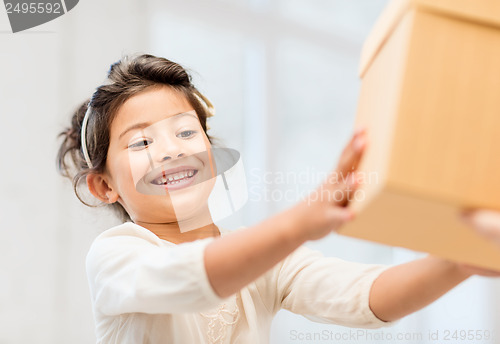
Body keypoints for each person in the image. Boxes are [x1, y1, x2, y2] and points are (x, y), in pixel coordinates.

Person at [57, 54, 497, 344]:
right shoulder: (116, 256)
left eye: (186, 131)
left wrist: (458, 261)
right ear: (105, 187)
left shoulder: (264, 256)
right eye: (141, 143)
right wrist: (302, 220)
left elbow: (366, 295)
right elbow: (194, 276)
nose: (171, 149)